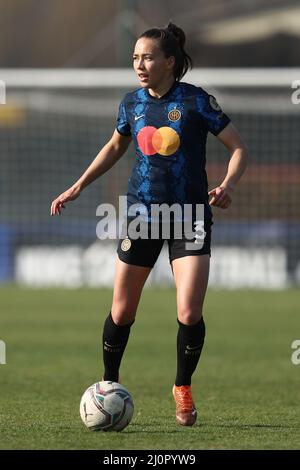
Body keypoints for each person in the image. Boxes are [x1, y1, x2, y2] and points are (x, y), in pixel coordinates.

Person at [50, 22, 248, 426]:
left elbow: (239, 147)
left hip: (190, 217)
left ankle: (182, 387)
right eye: (135, 57)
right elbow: (114, 146)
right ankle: (108, 386)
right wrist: (78, 185)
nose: (139, 64)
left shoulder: (196, 102)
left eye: (148, 57)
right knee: (122, 311)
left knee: (189, 312)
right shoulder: (131, 104)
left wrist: (227, 184)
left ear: (169, 62)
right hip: (142, 215)